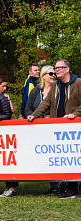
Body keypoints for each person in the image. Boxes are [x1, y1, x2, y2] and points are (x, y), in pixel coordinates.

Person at [27, 59, 81, 198]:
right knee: (66, 159)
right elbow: (46, 102)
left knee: (76, 157)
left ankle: (74, 188)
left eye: (59, 68)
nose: (56, 70)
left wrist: (74, 115)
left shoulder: (78, 83)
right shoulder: (56, 85)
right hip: (58, 129)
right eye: (55, 68)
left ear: (67, 69)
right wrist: (34, 115)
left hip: (75, 128)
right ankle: (69, 187)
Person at [25, 65, 58, 195]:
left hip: (54, 127)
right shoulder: (35, 91)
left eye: (54, 73)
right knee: (45, 155)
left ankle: (64, 184)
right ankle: (53, 185)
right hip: (38, 128)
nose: (53, 75)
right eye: (50, 73)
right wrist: (32, 116)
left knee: (56, 155)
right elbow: (27, 108)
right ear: (43, 76)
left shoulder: (58, 89)